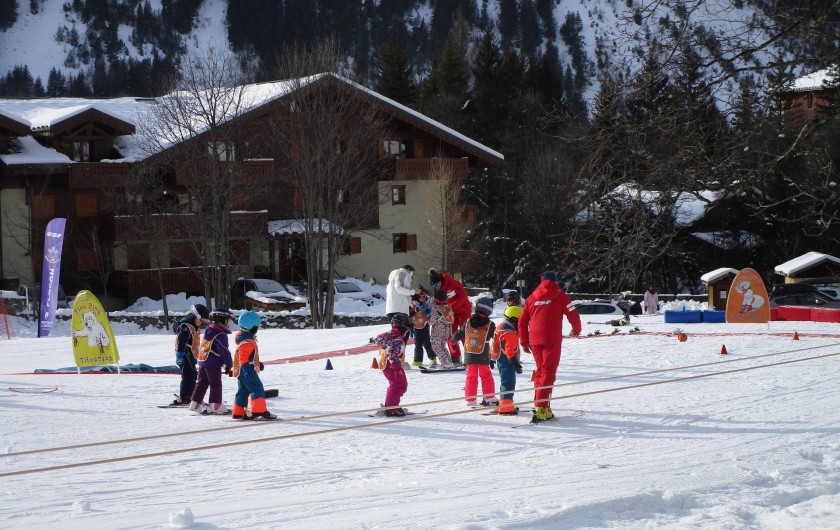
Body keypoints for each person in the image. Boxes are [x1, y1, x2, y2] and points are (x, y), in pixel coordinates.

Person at [519, 271, 582, 423]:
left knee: (541, 371)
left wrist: (524, 342)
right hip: (552, 339)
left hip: (535, 340)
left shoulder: (531, 298)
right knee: (548, 372)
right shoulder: (560, 295)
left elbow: (522, 322)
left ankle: (539, 405)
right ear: (555, 281)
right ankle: (541, 409)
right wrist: (576, 329)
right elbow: (573, 313)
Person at [230, 311, 276, 420]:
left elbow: (247, 356)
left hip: (241, 370)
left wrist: (257, 364)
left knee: (243, 390)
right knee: (257, 388)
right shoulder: (248, 342)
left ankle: (238, 411)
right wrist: (247, 371)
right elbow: (243, 358)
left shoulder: (242, 338)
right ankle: (258, 410)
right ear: (253, 327)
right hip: (247, 369)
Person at [452, 297, 497, 408]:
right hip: (483, 355)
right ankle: (489, 397)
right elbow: (496, 339)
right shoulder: (490, 324)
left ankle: (470, 399)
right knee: (486, 375)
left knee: (471, 376)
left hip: (469, 354)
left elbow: (459, 333)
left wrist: (453, 340)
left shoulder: (468, 321)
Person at [189, 308, 234, 415]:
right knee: (215, 384)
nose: (229, 323)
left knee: (201, 383)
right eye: (228, 320)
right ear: (221, 320)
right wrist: (229, 364)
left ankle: (195, 404)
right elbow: (224, 350)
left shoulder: (209, 330)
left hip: (203, 361)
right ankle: (215, 405)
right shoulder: (220, 334)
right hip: (213, 363)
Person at [428, 268, 471, 365]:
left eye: (437, 285)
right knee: (451, 335)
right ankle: (455, 357)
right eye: (434, 286)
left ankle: (469, 357)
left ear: (441, 281)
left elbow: (463, 297)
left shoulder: (454, 284)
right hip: (451, 314)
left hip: (463, 311)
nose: (436, 287)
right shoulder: (438, 291)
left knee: (465, 334)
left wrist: (452, 307)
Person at [171, 303, 210, 406]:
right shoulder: (186, 327)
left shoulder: (194, 327)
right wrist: (179, 355)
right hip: (184, 353)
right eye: (200, 320)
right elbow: (181, 342)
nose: (201, 322)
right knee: (187, 375)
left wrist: (195, 356)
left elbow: (195, 343)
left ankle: (191, 396)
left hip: (190, 354)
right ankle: (185, 397)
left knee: (193, 374)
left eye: (203, 321)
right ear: (194, 316)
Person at [373, 313, 411, 416]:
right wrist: (397, 368)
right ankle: (391, 409)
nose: (408, 331)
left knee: (397, 385)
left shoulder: (392, 334)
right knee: (398, 385)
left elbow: (378, 338)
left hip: (387, 364)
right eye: (407, 328)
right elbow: (393, 354)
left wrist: (385, 345)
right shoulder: (396, 338)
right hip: (392, 366)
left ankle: (391, 406)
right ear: (401, 326)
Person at [491, 305, 524, 415]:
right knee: (509, 382)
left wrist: (491, 356)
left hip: (500, 358)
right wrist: (514, 361)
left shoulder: (500, 326)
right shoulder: (510, 333)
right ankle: (506, 406)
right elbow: (509, 348)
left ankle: (504, 403)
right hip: (507, 360)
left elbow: (494, 342)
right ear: (514, 320)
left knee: (504, 381)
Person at [428, 289, 456, 369]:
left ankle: (445, 362)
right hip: (447, 330)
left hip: (438, 330)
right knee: (442, 346)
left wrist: (428, 319)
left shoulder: (436, 308)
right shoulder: (448, 307)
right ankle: (449, 362)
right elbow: (451, 319)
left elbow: (431, 321)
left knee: (436, 346)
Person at [409, 289, 436, 366]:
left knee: (427, 343)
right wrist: (410, 326)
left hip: (425, 327)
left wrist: (428, 311)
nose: (423, 297)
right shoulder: (413, 304)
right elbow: (410, 315)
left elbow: (430, 312)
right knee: (417, 344)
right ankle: (418, 360)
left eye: (424, 295)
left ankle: (432, 358)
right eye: (421, 295)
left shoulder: (427, 304)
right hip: (416, 327)